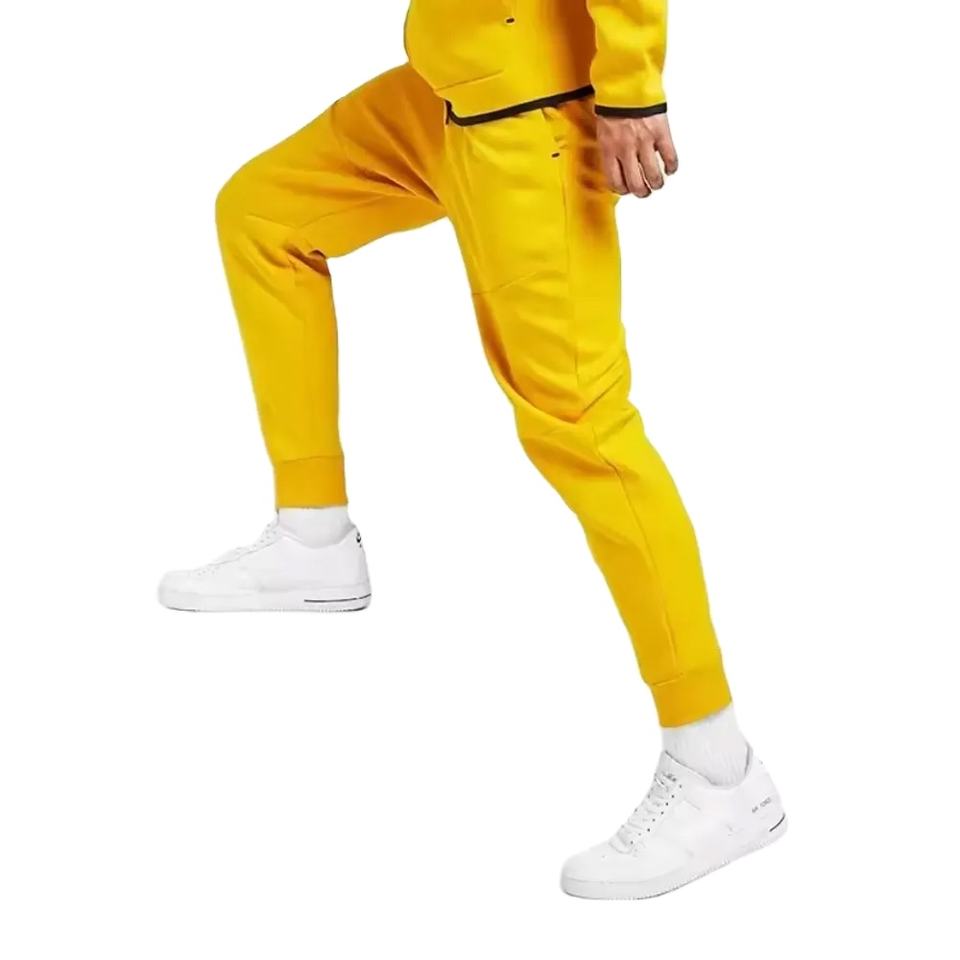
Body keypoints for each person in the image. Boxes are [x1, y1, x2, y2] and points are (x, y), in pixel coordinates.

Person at [159, 1, 786, 898]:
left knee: (586, 431)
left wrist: (631, 90)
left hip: (533, 117)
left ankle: (718, 771)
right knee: (264, 214)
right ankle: (313, 538)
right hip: (449, 93)